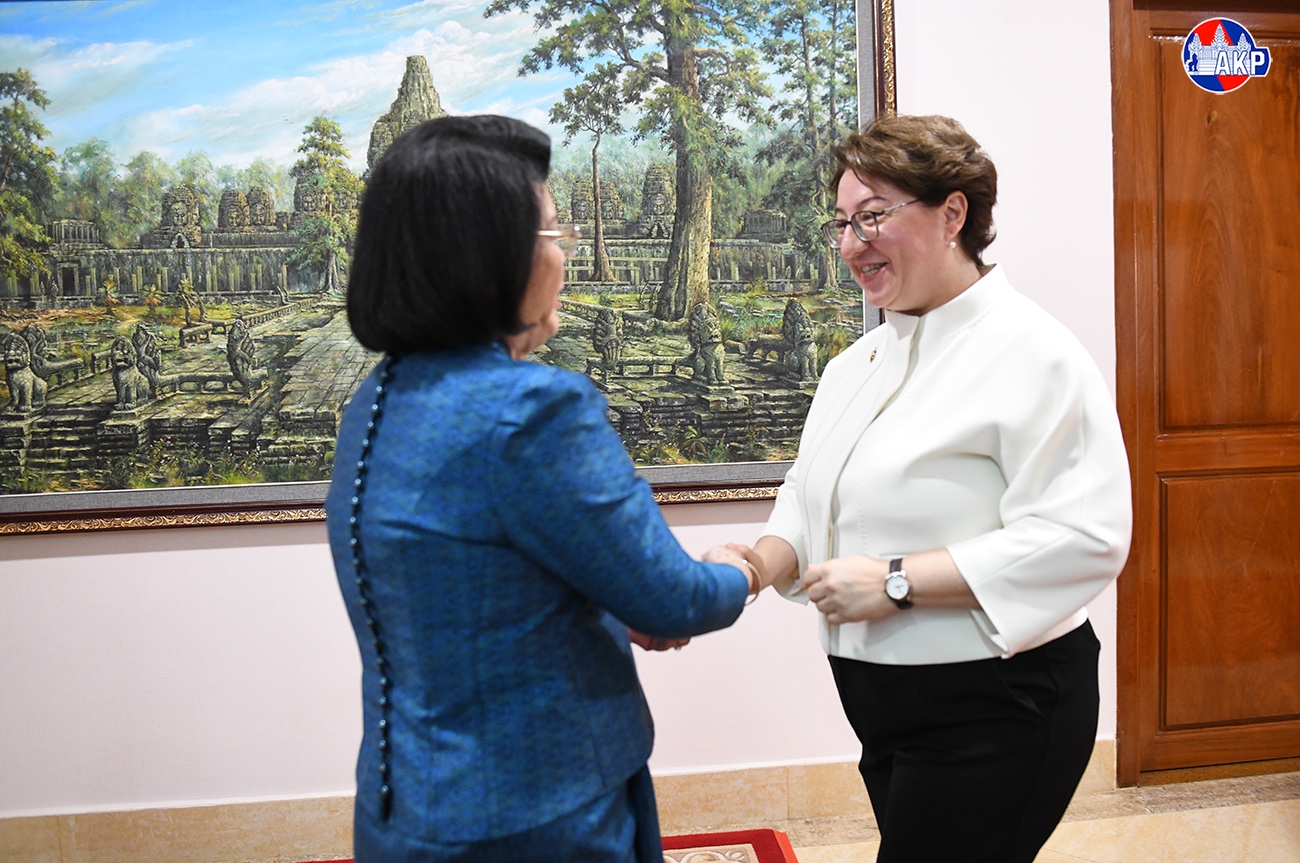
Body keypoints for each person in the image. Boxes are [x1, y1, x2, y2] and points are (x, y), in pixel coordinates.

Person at [324, 115, 756, 863]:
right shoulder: (530, 410)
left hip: (405, 804)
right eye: (555, 233)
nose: (567, 253)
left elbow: (476, 592)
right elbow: (674, 600)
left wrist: (610, 606)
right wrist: (743, 569)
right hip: (537, 814)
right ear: (494, 256)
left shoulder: (377, 400)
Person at [732, 115, 1132, 863]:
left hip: (999, 706)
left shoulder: (1035, 352)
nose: (853, 243)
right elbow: (809, 491)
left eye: (874, 216)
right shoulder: (854, 365)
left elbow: (1085, 536)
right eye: (842, 223)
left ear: (953, 214)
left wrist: (897, 581)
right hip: (883, 706)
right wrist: (754, 566)